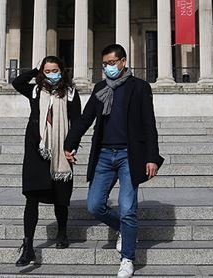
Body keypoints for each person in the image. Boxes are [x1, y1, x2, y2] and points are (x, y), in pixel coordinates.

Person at [64, 44, 163, 278]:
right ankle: (125, 230)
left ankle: (127, 258)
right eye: (105, 64)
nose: (108, 67)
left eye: (112, 63)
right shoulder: (101, 88)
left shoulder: (139, 87)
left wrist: (151, 157)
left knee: (128, 209)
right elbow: (85, 119)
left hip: (130, 155)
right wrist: (70, 143)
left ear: (123, 61)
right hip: (104, 155)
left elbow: (149, 124)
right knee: (94, 205)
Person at [11, 56, 81, 267]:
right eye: (47, 71)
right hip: (36, 148)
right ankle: (28, 246)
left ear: (62, 71)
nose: (52, 74)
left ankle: (62, 232)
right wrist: (35, 70)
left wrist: (71, 147)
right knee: (31, 196)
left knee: (61, 196)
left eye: (55, 70)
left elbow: (77, 122)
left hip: (60, 149)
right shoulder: (34, 90)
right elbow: (17, 82)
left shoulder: (70, 93)